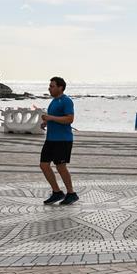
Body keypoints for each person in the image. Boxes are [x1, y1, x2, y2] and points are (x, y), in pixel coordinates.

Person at [39, 76, 78, 205]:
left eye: (52, 86)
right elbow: (55, 118)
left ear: (60, 87)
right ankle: (57, 192)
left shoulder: (66, 101)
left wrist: (50, 118)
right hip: (50, 139)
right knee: (44, 165)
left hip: (63, 139)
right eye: (49, 86)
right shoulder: (54, 101)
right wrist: (46, 122)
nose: (49, 88)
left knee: (61, 166)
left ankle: (71, 193)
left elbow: (69, 119)